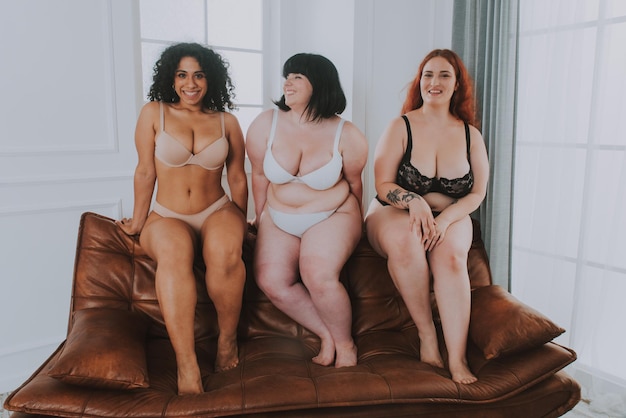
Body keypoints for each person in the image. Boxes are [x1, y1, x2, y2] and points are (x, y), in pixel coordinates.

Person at [116, 43, 248, 394]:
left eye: (199, 75)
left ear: (211, 79)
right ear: (171, 78)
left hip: (217, 209)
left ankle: (227, 341)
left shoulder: (227, 121)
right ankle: (186, 364)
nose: (191, 83)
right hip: (167, 214)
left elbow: (237, 177)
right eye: (182, 74)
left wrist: (243, 221)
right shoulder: (153, 113)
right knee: (174, 255)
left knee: (224, 251)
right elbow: (145, 173)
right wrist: (137, 221)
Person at [365, 49, 489, 384]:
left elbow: (477, 193)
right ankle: (426, 335)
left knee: (451, 259)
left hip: (451, 213)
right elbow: (382, 183)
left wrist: (447, 220)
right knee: (408, 242)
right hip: (393, 209)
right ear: (419, 81)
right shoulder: (400, 126)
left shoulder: (470, 135)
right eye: (428, 75)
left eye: (444, 75)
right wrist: (413, 200)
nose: (434, 82)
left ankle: (458, 358)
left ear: (457, 84)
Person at [246, 53, 368, 368]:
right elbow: (258, 175)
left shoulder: (348, 133)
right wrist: (261, 218)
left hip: (333, 212)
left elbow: (355, 184)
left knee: (318, 273)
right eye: (287, 75)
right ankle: (326, 333)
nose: (288, 82)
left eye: (298, 76)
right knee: (271, 279)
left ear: (320, 83)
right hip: (279, 212)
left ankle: (345, 344)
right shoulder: (265, 124)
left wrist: (358, 226)